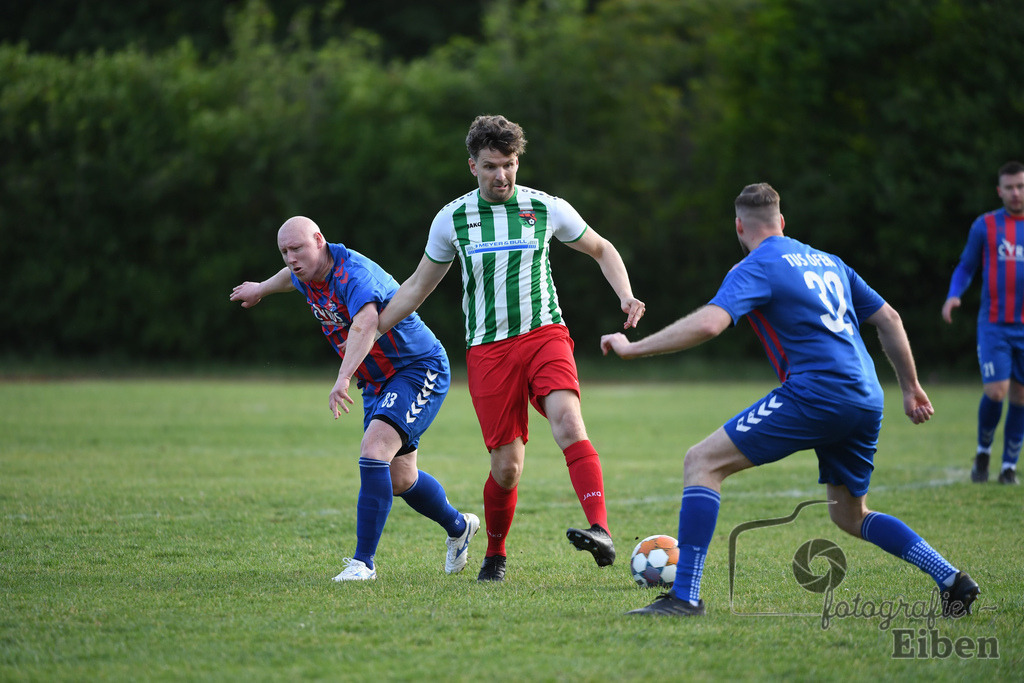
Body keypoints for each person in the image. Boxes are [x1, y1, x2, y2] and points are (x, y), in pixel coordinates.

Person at [601, 183, 979, 617]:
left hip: (818, 391)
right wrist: (910, 386)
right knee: (850, 515)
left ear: (739, 226)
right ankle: (951, 579)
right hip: (866, 395)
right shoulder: (829, 261)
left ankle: (684, 597)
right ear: (782, 222)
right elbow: (889, 318)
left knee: (701, 462)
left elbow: (709, 325)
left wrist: (633, 348)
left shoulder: (756, 265)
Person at [375, 114, 646, 582]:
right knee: (507, 468)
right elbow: (418, 286)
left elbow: (602, 249)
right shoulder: (453, 219)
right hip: (488, 352)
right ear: (472, 166)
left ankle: (600, 529)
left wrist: (625, 293)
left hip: (545, 336)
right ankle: (495, 553)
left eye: (510, 164)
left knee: (569, 421)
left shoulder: (545, 208)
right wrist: (373, 330)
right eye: (491, 166)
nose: (502, 175)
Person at [229, 216, 479, 581]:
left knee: (374, 450)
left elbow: (365, 324)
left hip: (417, 367)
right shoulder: (306, 272)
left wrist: (342, 378)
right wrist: (261, 289)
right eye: (284, 251)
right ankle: (459, 527)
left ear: (319, 240)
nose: (291, 259)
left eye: (297, 248)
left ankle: (364, 564)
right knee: (399, 478)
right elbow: (289, 278)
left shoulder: (353, 274)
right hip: (378, 380)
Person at [942, 160, 1024, 485]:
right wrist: (953, 294)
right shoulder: (986, 226)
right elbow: (966, 266)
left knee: (1020, 396)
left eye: (1021, 186)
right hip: (994, 325)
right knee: (997, 390)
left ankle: (1008, 467)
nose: (1016, 193)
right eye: (1010, 187)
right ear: (999, 191)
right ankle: (983, 452)